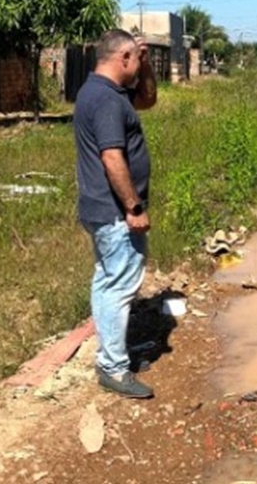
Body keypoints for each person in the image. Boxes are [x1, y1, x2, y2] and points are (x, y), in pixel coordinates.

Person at [74, 29, 158, 399]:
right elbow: (112, 157)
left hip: (101, 209)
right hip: (114, 213)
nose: (139, 65)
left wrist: (148, 62)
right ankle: (113, 367)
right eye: (137, 59)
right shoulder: (107, 100)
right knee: (118, 287)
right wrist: (134, 207)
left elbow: (148, 100)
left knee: (107, 281)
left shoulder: (102, 91)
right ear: (123, 58)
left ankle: (112, 354)